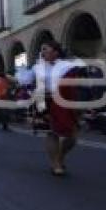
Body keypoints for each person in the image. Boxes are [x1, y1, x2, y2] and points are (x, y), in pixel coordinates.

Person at [35, 41, 80, 176]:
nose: (42, 52)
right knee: (51, 133)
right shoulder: (37, 67)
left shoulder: (65, 66)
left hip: (65, 101)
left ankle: (59, 158)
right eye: (41, 50)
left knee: (71, 137)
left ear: (55, 52)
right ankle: (56, 163)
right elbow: (27, 80)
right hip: (45, 100)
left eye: (45, 49)